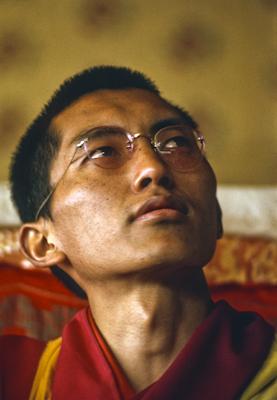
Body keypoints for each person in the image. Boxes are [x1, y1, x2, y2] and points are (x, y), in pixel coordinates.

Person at [1, 66, 276, 400]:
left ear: (215, 215)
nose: (154, 167)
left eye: (177, 143)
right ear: (44, 242)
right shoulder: (15, 379)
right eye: (102, 151)